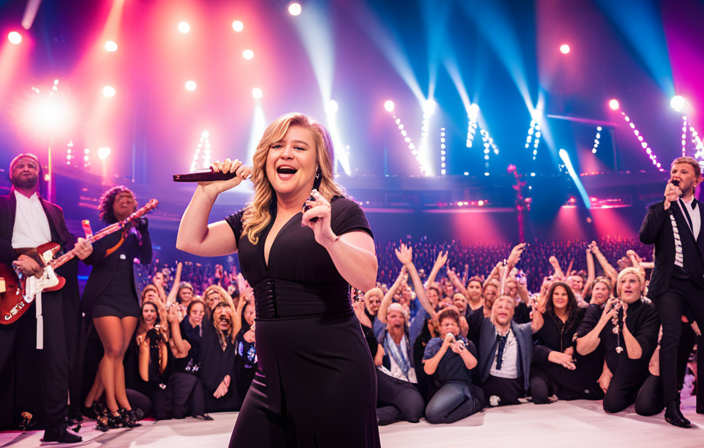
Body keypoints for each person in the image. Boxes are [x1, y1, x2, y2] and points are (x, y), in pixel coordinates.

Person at [176, 112, 380, 447]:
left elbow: (367, 276)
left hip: (334, 369)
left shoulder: (341, 211)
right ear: (265, 159)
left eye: (299, 147)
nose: (285, 154)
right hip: (271, 376)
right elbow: (190, 241)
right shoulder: (253, 218)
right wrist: (208, 192)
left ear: (318, 164)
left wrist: (329, 238)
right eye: (277, 146)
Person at [0, 153, 92, 443]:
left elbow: (64, 244)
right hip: (8, 280)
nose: (26, 168)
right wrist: (17, 258)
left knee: (56, 355)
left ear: (40, 174)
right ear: (11, 174)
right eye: (20, 165)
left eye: (32, 166)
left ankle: (54, 424)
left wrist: (82, 252)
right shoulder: (1, 204)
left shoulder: (55, 209)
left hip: (47, 285)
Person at [639, 156, 704, 427]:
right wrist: (666, 204)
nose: (677, 174)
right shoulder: (659, 208)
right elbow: (645, 237)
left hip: (697, 283)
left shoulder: (702, 210)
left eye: (684, 171)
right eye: (674, 170)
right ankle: (671, 405)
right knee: (672, 337)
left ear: (697, 179)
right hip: (668, 284)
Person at [81, 186, 152, 429]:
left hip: (129, 299)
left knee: (119, 354)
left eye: (130, 198)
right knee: (112, 349)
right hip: (105, 297)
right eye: (120, 198)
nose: (125, 201)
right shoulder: (105, 233)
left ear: (135, 207)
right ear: (111, 206)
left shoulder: (135, 236)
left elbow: (146, 257)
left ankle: (111, 403)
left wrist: (144, 230)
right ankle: (112, 406)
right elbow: (92, 257)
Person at [575, 268, 660, 416]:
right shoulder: (611, 308)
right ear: (618, 287)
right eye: (623, 281)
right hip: (622, 372)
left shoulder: (649, 309)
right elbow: (589, 348)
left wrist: (624, 325)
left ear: (641, 286)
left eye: (632, 281)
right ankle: (638, 393)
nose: (627, 285)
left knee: (645, 409)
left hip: (644, 370)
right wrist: (605, 369)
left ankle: (657, 390)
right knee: (611, 405)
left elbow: (635, 354)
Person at [422, 307, 482, 423]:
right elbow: (428, 370)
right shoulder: (434, 344)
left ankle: (473, 403)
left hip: (461, 385)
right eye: (446, 324)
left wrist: (460, 349)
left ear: (458, 328)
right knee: (431, 414)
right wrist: (444, 347)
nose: (449, 327)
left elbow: (472, 365)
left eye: (453, 324)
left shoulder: (466, 343)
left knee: (433, 415)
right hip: (442, 386)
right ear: (439, 328)